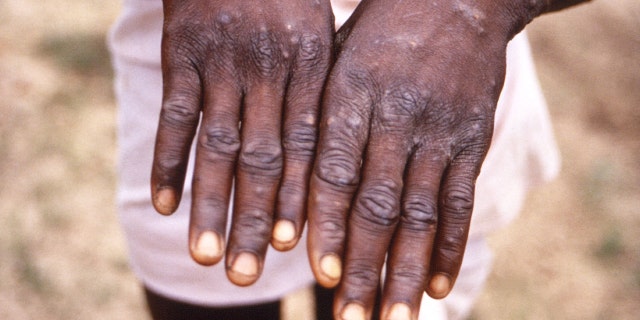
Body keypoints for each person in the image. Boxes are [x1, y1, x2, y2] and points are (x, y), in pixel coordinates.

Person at [108, 0, 589, 319]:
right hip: (220, 49)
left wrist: (472, 10)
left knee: (390, 289)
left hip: (437, 67)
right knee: (202, 281)